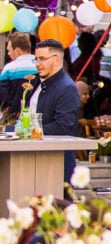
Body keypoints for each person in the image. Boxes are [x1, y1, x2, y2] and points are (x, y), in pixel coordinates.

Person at [30, 39, 81, 182]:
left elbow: (64, 126)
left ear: (57, 60)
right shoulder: (39, 83)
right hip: (39, 158)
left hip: (57, 163)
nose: (37, 64)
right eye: (36, 59)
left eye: (42, 59)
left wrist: (31, 131)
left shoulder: (66, 88)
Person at [0, 31, 37, 115]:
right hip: (36, 115)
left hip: (13, 117)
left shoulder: (8, 69)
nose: (8, 54)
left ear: (17, 51)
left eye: (9, 50)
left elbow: (2, 96)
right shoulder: (40, 66)